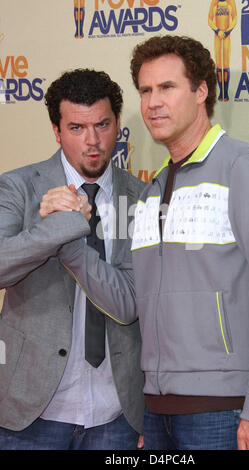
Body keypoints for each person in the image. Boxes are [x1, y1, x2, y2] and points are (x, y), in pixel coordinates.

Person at [42, 36, 249, 450]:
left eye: (167, 88)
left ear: (201, 91)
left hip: (226, 410)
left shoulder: (243, 169)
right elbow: (130, 303)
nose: (153, 103)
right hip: (157, 412)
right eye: (145, 90)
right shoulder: (152, 191)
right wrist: (69, 240)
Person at [0, 68, 145, 450]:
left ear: (117, 124)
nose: (93, 141)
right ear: (56, 130)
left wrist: (69, 238)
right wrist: (59, 227)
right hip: (31, 412)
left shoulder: (142, 197)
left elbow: (129, 303)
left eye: (102, 124)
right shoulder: (18, 187)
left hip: (117, 414)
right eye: (77, 128)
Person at [208, 0, 237, 101]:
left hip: (226, 38)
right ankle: (221, 92)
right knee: (219, 65)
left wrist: (228, 31)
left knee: (226, 64)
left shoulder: (230, 3)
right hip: (217, 37)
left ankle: (226, 92)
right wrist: (217, 30)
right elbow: (210, 20)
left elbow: (234, 18)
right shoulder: (214, 3)